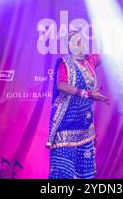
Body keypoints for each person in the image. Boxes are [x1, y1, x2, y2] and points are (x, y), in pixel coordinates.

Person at [46, 30, 109, 179]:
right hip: (65, 126)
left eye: (82, 41)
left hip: (85, 127)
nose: (81, 45)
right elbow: (61, 85)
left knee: (85, 174)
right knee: (63, 173)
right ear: (69, 46)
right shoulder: (64, 63)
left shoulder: (89, 61)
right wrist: (87, 94)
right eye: (76, 42)